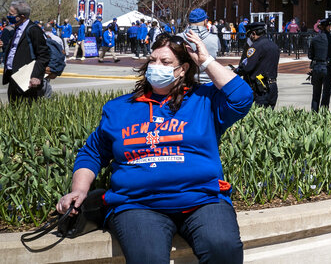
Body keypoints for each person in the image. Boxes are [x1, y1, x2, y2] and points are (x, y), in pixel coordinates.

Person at [58, 31, 253, 264]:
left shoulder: (206, 101)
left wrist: (206, 61)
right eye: (153, 60)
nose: (156, 66)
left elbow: (242, 96)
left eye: (166, 62)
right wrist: (79, 190)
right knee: (147, 258)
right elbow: (92, 153)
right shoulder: (119, 109)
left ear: (183, 69)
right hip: (138, 204)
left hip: (202, 199)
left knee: (223, 248)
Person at [3, 1, 49, 102]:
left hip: (27, 80)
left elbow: (43, 55)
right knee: (14, 112)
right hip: (14, 77)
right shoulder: (17, 29)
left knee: (26, 111)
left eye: (11, 14)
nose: (8, 16)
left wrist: (36, 76)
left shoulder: (33, 30)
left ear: (22, 16)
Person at [234, 22, 279, 108]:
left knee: (258, 117)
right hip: (272, 87)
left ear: (253, 33)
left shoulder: (255, 47)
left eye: (250, 35)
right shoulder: (274, 46)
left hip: (260, 90)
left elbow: (247, 67)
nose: (250, 38)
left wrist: (237, 71)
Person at [307, 18, 331, 112]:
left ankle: (314, 114)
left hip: (316, 68)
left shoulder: (314, 39)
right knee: (326, 94)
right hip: (327, 68)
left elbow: (310, 55)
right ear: (328, 26)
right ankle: (323, 114)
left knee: (316, 94)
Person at [183, 9, 220, 85]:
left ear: (189, 21)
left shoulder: (179, 37)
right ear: (205, 21)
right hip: (209, 80)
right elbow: (218, 51)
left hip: (185, 81)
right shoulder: (214, 38)